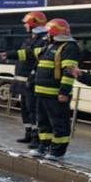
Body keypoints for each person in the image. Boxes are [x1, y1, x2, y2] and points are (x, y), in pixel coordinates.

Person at [32, 18, 80, 160]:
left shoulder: (69, 47)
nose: (47, 35)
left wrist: (64, 92)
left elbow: (69, 71)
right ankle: (44, 146)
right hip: (42, 93)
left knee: (59, 123)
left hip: (56, 95)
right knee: (43, 122)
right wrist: (9, 54)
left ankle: (58, 152)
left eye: (48, 32)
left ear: (53, 32)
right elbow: (30, 53)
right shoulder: (50, 46)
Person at [0, 11, 48, 146]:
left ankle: (36, 137)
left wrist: (10, 54)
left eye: (27, 23)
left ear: (34, 23)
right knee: (25, 109)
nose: (25, 25)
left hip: (32, 81)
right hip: (22, 81)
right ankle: (28, 134)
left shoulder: (43, 40)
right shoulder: (30, 38)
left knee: (33, 110)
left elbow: (31, 56)